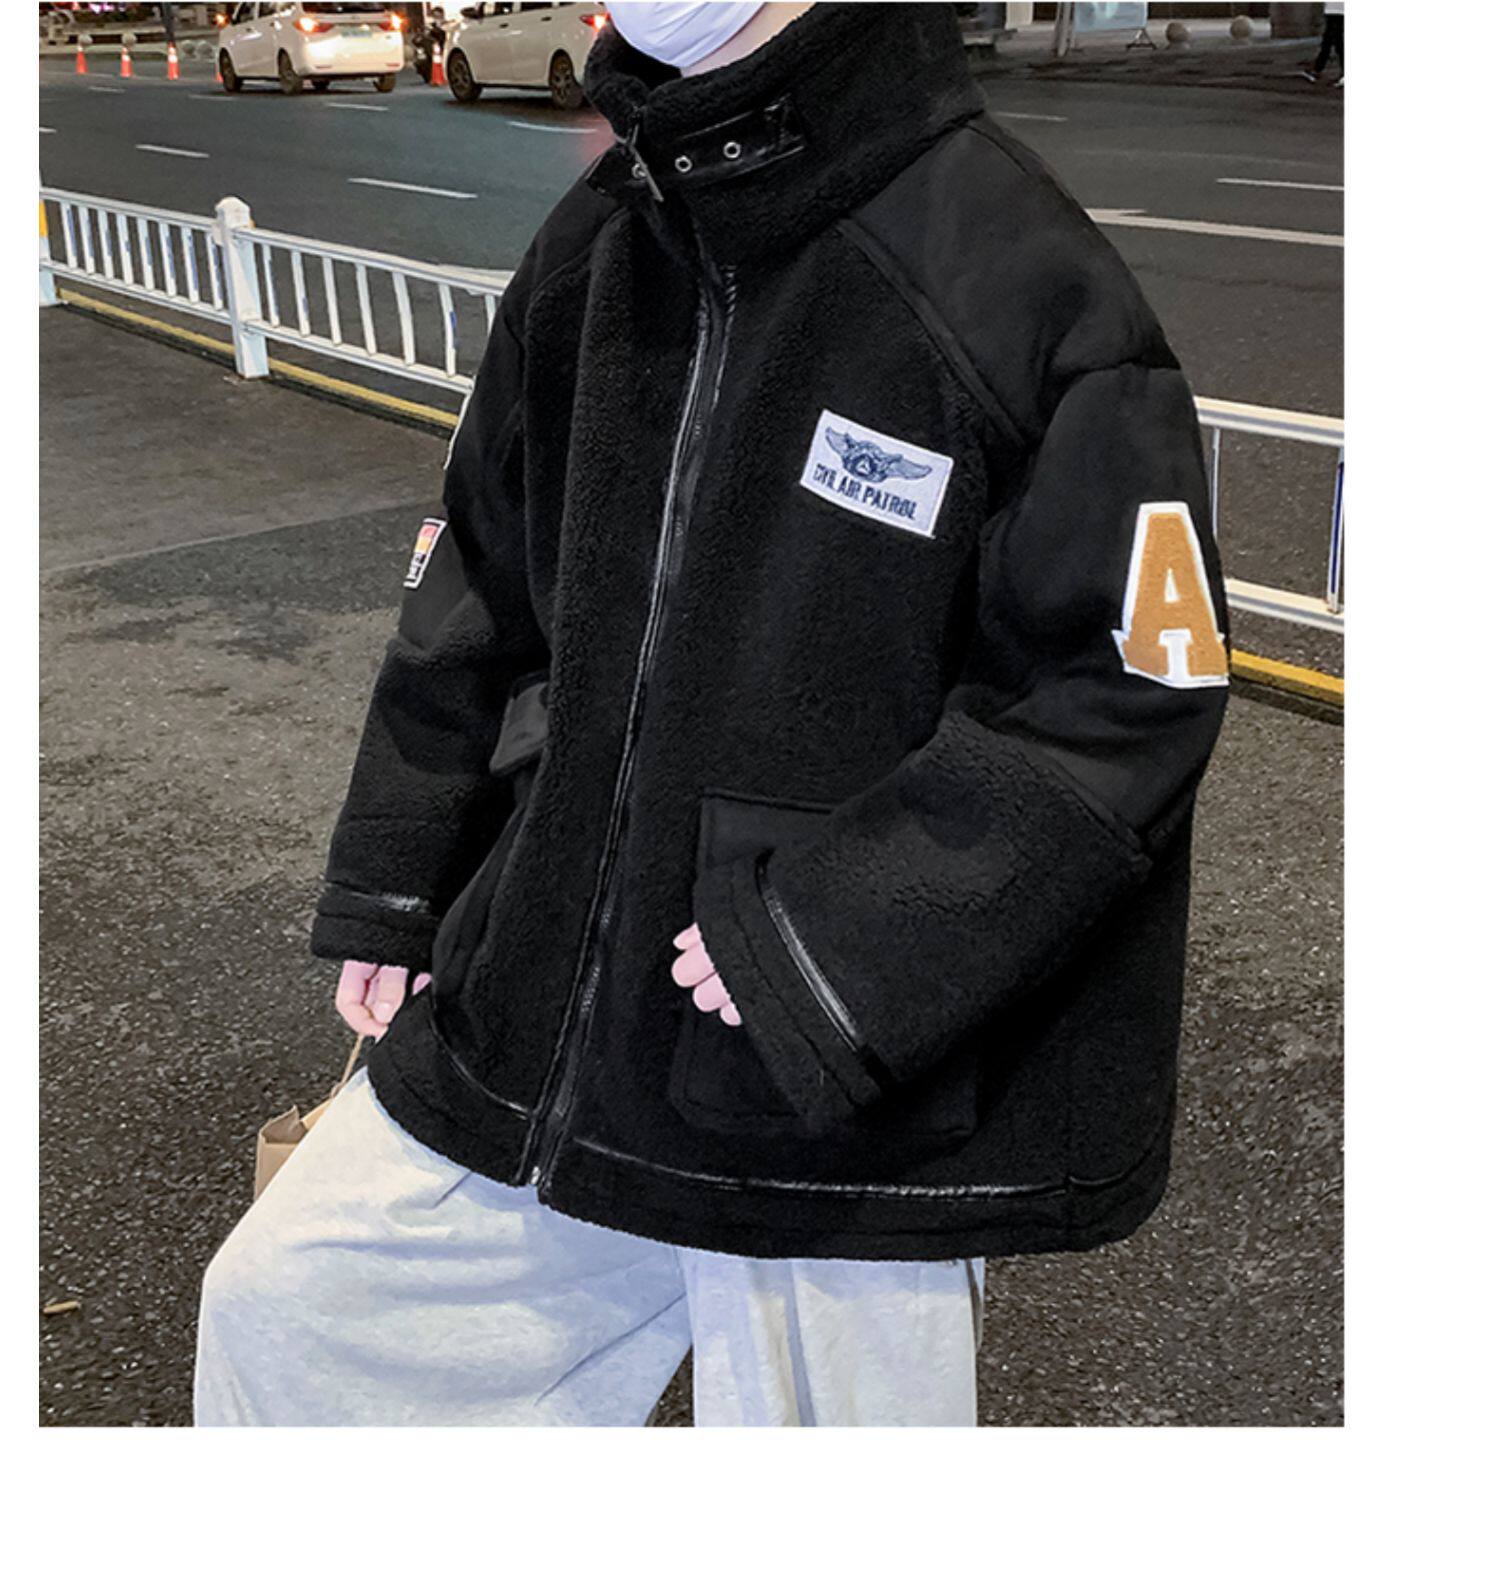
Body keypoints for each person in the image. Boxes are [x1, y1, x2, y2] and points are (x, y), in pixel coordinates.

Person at [195, 0, 1230, 1428]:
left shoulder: (1014, 269)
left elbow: (1132, 681)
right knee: (291, 1315)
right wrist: (399, 871)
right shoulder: (601, 238)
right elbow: (482, 576)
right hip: (545, 1006)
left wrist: (837, 939)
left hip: (831, 1079)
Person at [1301, 1, 1344, 86]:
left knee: (1334, 39)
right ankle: (1318, 68)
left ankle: (1317, 68)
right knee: (1331, 39)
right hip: (1335, 9)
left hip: (1335, 9)